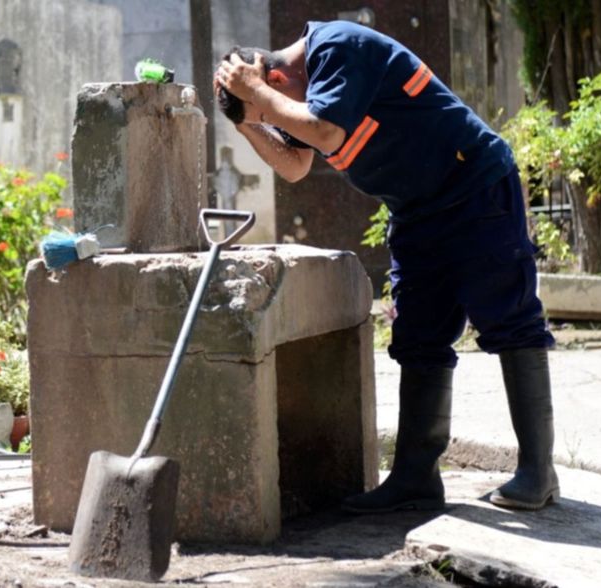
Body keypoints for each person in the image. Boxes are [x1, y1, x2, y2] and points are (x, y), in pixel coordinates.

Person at [215, 20, 558, 513]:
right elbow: (295, 165)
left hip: (474, 188)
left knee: (508, 318)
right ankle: (416, 477)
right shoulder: (298, 93)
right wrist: (247, 117)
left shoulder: (337, 48)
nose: (273, 119)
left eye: (266, 103)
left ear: (273, 80)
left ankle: (538, 472)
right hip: (417, 212)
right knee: (418, 336)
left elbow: (326, 133)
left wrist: (257, 99)